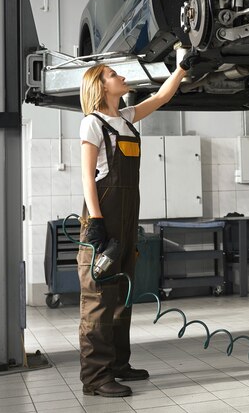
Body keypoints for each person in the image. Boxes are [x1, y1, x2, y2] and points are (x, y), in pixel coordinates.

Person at [77, 49, 198, 397]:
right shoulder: (93, 122)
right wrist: (97, 221)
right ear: (101, 85)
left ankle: (117, 364)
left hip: (127, 218)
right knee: (99, 297)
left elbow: (161, 96)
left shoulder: (127, 120)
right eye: (115, 74)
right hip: (103, 220)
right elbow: (87, 176)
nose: (122, 77)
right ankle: (96, 377)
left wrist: (181, 68)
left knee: (122, 293)